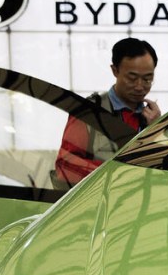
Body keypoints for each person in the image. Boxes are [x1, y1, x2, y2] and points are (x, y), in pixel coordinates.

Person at [55, 38, 161, 186]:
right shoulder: (88, 111)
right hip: (99, 198)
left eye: (147, 79)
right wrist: (118, 174)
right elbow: (66, 165)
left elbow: (166, 167)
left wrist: (157, 130)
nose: (139, 86)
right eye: (132, 78)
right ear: (115, 70)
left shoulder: (151, 117)